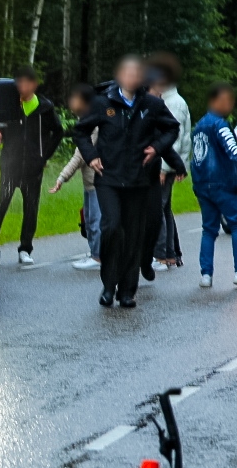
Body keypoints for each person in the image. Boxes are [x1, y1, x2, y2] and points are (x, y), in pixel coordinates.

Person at [71, 55, 180, 308]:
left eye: (136, 74)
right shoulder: (102, 102)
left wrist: (157, 147)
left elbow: (171, 128)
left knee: (133, 235)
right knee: (112, 227)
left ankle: (127, 291)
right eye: (127, 73)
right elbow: (80, 131)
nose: (131, 78)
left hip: (138, 181)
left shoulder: (151, 104)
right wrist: (91, 156)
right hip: (108, 178)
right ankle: (109, 286)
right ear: (119, 76)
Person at [0, 66, 64, 267]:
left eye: (25, 82)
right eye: (18, 82)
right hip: (10, 166)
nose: (21, 86)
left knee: (30, 209)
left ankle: (25, 249)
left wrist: (44, 156)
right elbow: (1, 129)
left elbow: (58, 131)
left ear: (34, 84)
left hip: (33, 169)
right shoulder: (10, 106)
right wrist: (0, 136)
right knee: (0, 206)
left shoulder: (44, 108)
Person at [189, 82, 237, 288]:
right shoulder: (220, 125)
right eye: (226, 100)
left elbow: (197, 157)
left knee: (209, 229)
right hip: (223, 183)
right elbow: (232, 149)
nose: (229, 105)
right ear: (215, 101)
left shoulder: (199, 126)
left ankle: (206, 274)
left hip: (202, 184)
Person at [51, 84, 103, 270]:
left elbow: (80, 156)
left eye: (75, 99)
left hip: (98, 182)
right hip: (89, 183)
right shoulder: (85, 121)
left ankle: (98, 257)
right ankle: (94, 253)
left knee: (95, 221)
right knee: (89, 220)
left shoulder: (94, 125)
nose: (71, 103)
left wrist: (62, 178)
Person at [148, 54, 191, 270]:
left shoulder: (173, 103)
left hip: (166, 163)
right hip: (169, 162)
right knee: (165, 208)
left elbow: (173, 138)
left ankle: (161, 256)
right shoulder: (168, 99)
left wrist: (164, 168)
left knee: (158, 207)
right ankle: (171, 254)